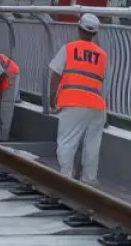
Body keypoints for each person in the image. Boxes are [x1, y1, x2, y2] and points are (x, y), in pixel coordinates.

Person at [49, 13, 108, 184]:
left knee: (67, 142)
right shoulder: (102, 55)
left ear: (78, 28)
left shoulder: (69, 48)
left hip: (73, 102)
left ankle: (65, 178)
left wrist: (53, 97)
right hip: (97, 105)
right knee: (92, 145)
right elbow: (100, 80)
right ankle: (89, 180)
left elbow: (55, 74)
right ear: (95, 33)